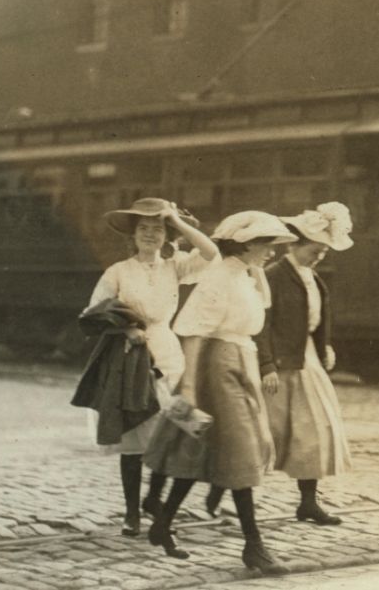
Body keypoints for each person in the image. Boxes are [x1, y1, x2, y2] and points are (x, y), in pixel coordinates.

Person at [143, 211, 296, 574]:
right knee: (241, 452)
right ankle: (254, 546)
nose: (272, 253)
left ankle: (162, 522)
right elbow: (194, 333)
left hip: (241, 363)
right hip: (217, 368)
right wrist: (191, 389)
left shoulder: (244, 275)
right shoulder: (220, 278)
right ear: (244, 244)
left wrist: (256, 270)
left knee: (205, 449)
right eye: (266, 245)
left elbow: (262, 312)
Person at [82, 197, 219, 537]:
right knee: (133, 437)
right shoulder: (118, 271)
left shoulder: (176, 266)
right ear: (133, 235)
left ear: (166, 236)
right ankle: (132, 513)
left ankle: (154, 497)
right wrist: (126, 327)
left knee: (178, 429)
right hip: (130, 358)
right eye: (143, 229)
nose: (150, 235)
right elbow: (94, 312)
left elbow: (212, 254)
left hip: (170, 355)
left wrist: (176, 220)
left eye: (157, 230)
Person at [255, 201, 353, 525]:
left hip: (306, 360)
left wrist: (325, 347)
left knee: (314, 429)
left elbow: (314, 319)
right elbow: (262, 325)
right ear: (296, 243)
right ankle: (226, 493)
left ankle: (308, 502)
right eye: (316, 249)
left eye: (325, 251)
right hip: (281, 364)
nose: (320, 255)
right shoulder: (274, 276)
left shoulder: (313, 279)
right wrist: (267, 365)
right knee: (265, 434)